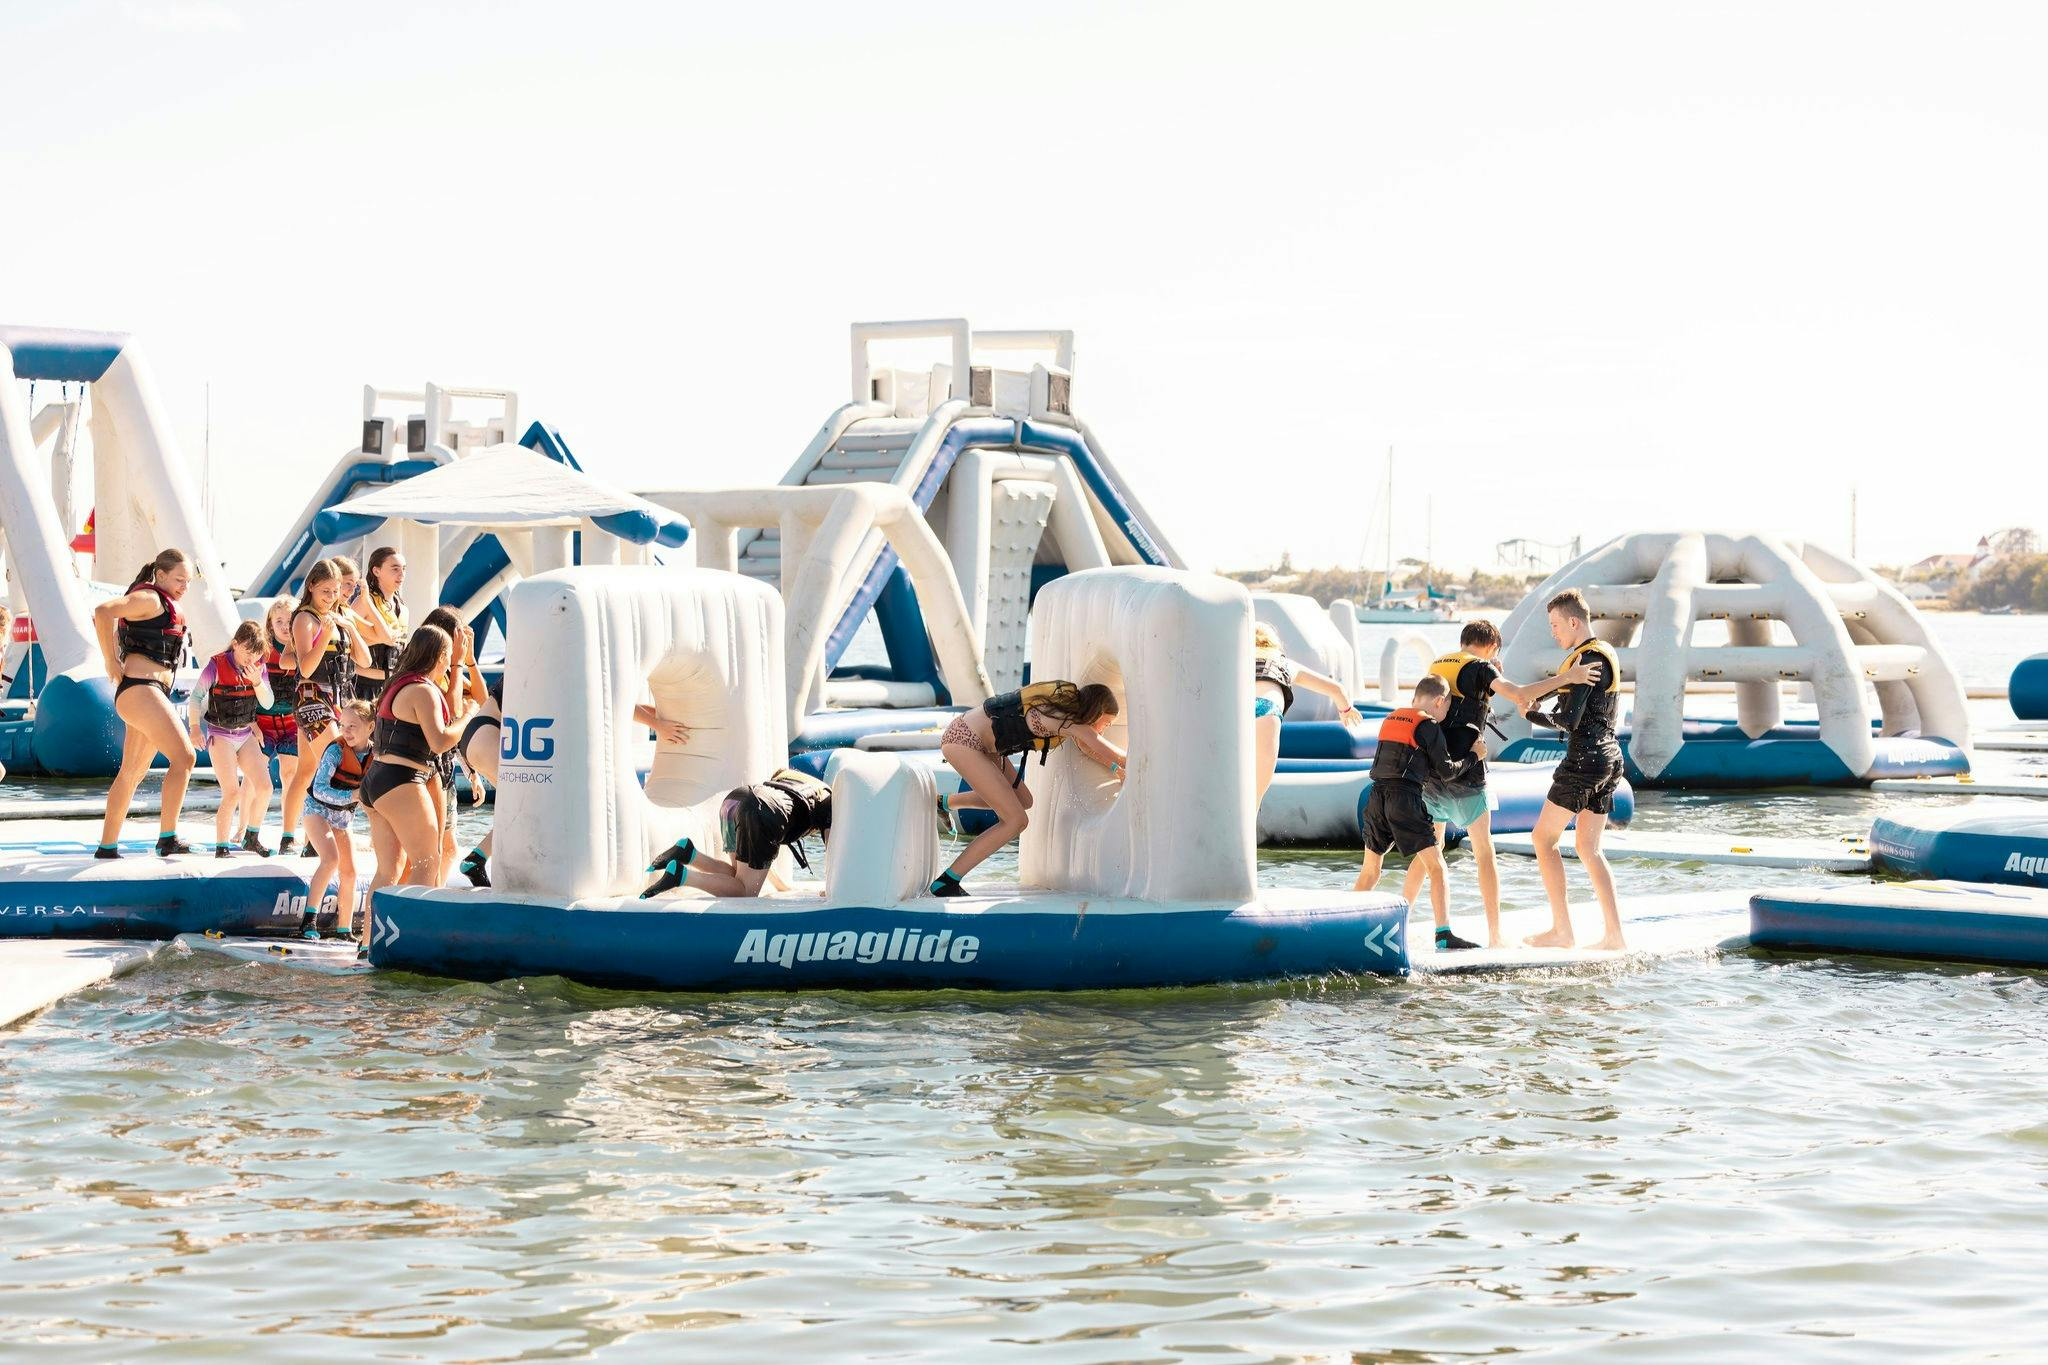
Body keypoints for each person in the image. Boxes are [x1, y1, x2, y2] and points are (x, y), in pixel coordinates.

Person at [1419, 620, 1595, 947]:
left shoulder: (1439, 665)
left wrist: (1490, 679)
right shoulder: (1482, 667)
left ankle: (1408, 920)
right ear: (1492, 647)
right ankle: (1495, 934)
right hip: (1468, 775)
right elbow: (1517, 694)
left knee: (1428, 852)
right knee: (1484, 851)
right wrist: (1569, 677)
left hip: (1433, 771)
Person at [931, 681, 1125, 897]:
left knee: (1024, 800)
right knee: (1016, 821)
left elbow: (1088, 746)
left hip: (987, 748)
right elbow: (1100, 744)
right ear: (1096, 712)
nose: (1104, 729)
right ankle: (947, 881)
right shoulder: (1062, 718)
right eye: (1105, 723)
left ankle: (944, 803)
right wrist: (1143, 765)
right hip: (964, 741)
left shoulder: (1068, 719)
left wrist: (1115, 769)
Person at [1520, 589, 1627, 951]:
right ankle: (1614, 936)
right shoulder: (1600, 655)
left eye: (1555, 625)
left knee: (1542, 839)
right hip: (1611, 759)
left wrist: (1532, 715)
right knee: (1588, 847)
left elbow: (1569, 719)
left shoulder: (1589, 659)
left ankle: (1562, 931)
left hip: (1585, 760)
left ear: (1574, 621)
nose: (1553, 632)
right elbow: (1573, 697)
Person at [1353, 673, 1485, 951]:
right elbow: (1446, 771)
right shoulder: (1428, 726)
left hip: (1375, 797)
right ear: (1439, 701)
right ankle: (1444, 935)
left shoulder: (1390, 719)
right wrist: (1474, 755)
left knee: (1371, 872)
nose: (1444, 715)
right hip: (1405, 799)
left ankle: (1346, 927)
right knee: (1436, 867)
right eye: (1446, 709)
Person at [91, 548, 199, 858]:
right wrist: (111, 662)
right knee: (185, 758)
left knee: (132, 773)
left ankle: (107, 847)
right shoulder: (150, 599)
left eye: (188, 581)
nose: (184, 587)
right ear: (161, 575)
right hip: (141, 690)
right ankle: (167, 838)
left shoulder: (164, 605)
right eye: (179, 579)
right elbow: (102, 612)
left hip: (147, 693)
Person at [362, 625, 474, 910]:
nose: (449, 664)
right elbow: (439, 741)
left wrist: (461, 665)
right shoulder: (422, 690)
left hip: (376, 781)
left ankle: (368, 941)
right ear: (440, 657)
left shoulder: (398, 684)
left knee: (389, 870)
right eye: (449, 657)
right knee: (427, 861)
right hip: (402, 781)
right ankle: (413, 942)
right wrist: (468, 717)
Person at [284, 559, 372, 857]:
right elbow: (306, 668)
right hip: (312, 699)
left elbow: (366, 661)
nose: (332, 596)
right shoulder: (304, 619)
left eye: (336, 591)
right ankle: (316, 839)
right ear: (311, 586)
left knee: (308, 768)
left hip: (340, 701)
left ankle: (294, 837)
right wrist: (325, 633)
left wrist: (351, 628)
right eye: (325, 590)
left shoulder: (338, 615)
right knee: (340, 758)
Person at [642, 767, 831, 898]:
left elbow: (757, 856)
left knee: (737, 877)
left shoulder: (798, 781)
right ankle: (683, 876)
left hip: (736, 799)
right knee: (744, 892)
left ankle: (690, 854)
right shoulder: (830, 800)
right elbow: (834, 855)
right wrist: (832, 890)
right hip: (760, 809)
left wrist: (783, 888)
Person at [187, 621, 276, 857]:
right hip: (221, 735)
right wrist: (195, 728)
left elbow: (268, 703)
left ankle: (251, 837)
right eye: (248, 652)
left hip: (244, 734)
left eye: (257, 654)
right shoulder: (216, 665)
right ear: (235, 644)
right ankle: (221, 846)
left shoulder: (258, 668)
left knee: (265, 787)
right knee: (232, 792)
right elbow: (196, 698)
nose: (251, 658)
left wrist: (257, 681)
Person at [1252, 623, 1364, 804]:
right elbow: (1337, 690)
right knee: (1254, 799)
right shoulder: (1284, 662)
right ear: (1273, 644)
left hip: (1234, 712)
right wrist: (1346, 710)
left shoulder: (1237, 658)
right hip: (1265, 709)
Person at [303, 700, 375, 940]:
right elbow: (320, 789)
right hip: (316, 809)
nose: (346, 731)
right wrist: (352, 795)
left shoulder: (376, 755)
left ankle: (344, 929)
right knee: (331, 858)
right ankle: (308, 921)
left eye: (353, 726)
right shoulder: (335, 751)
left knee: (351, 871)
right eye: (343, 725)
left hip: (342, 818)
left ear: (371, 727)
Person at [255, 601, 304, 854]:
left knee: (290, 776)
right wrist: (251, 723)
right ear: (270, 624)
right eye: (279, 622)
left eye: (289, 621)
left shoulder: (303, 648)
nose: (285, 627)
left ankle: (289, 833)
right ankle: (245, 829)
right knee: (254, 779)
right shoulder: (261, 650)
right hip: (262, 722)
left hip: (291, 723)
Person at [354, 546, 408, 704]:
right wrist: (381, 638)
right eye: (395, 569)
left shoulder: (402, 608)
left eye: (403, 569)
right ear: (376, 571)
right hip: (361, 685)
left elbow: (400, 649)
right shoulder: (364, 601)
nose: (401, 574)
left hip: (391, 686)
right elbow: (346, 640)